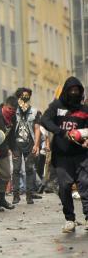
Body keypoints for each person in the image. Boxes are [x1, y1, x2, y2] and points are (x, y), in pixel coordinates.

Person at [41, 76, 88, 233]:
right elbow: (45, 120)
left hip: (82, 154)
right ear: (66, 91)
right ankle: (70, 219)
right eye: (71, 90)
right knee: (65, 187)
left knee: (85, 185)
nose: (74, 93)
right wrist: (62, 133)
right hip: (62, 156)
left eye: (77, 90)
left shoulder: (84, 110)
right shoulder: (57, 106)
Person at [11, 88, 42, 205]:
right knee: (16, 170)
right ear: (18, 97)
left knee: (29, 169)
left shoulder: (34, 112)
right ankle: (16, 195)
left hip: (30, 145)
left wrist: (37, 144)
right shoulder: (14, 110)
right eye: (23, 96)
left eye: (27, 96)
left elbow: (37, 128)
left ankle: (29, 195)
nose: (25, 98)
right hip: (16, 145)